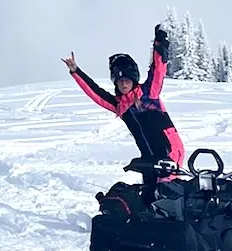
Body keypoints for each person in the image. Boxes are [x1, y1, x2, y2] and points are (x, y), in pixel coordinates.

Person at [64, 24, 184, 174]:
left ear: (133, 80)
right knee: (148, 195)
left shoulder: (148, 93)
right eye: (120, 81)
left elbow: (158, 70)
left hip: (169, 153)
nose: (124, 83)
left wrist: (159, 45)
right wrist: (76, 71)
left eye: (127, 80)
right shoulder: (119, 105)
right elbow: (95, 93)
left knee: (166, 193)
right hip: (149, 158)